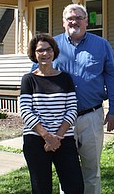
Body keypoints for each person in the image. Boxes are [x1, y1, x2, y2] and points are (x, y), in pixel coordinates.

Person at [53, 3, 114, 194]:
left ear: (86, 22)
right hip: (61, 118)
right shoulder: (53, 46)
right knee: (66, 170)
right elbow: (37, 76)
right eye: (70, 18)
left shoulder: (101, 45)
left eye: (78, 18)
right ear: (63, 22)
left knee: (92, 170)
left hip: (91, 116)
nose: (74, 21)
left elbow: (113, 77)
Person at [20, 33, 84, 194]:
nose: (44, 54)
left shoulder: (65, 79)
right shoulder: (28, 80)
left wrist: (57, 137)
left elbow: (72, 109)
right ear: (34, 54)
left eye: (48, 50)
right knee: (41, 188)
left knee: (75, 186)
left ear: (54, 52)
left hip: (64, 139)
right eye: (40, 50)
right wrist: (47, 136)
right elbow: (26, 111)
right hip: (36, 140)